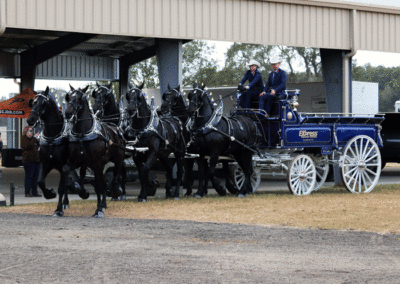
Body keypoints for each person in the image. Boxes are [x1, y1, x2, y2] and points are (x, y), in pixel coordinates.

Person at [21, 126, 42, 197]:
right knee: (29, 177)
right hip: (28, 161)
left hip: (36, 160)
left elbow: (38, 146)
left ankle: (34, 192)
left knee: (35, 177)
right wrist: (35, 139)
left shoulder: (34, 139)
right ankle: (27, 192)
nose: (31, 132)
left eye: (32, 131)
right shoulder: (24, 139)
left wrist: (38, 139)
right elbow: (27, 146)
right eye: (29, 131)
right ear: (25, 132)